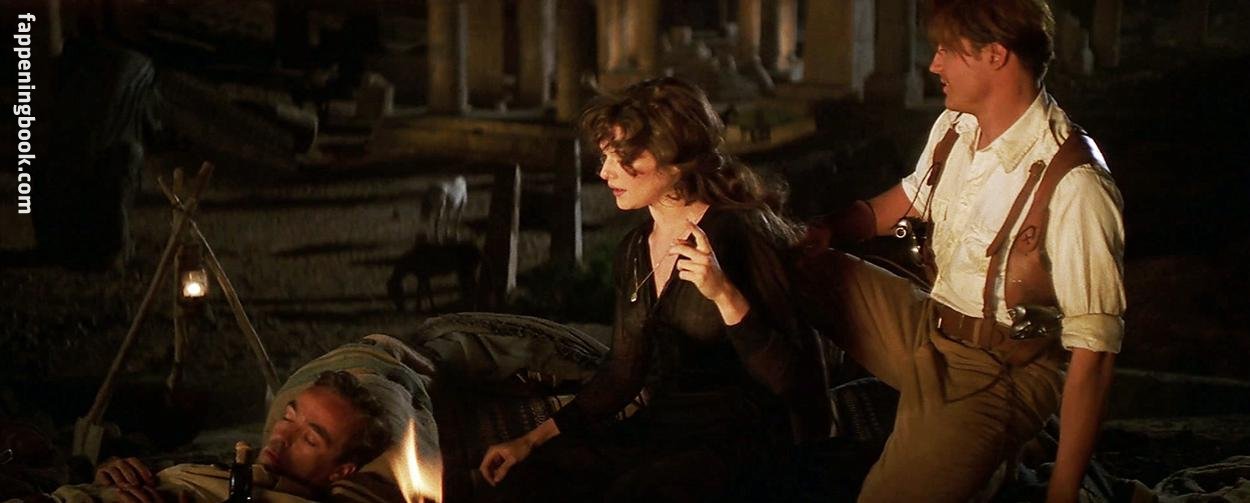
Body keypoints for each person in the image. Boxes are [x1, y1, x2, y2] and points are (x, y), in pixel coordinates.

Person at [800, 1, 1124, 502]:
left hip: (998, 370)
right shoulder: (957, 126)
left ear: (995, 54)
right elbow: (913, 196)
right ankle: (804, 422)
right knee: (787, 262)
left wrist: (1062, 491)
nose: (933, 65)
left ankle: (986, 443)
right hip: (930, 324)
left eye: (947, 50)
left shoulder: (1076, 185)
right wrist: (830, 229)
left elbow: (1094, 354)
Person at [478, 77, 832, 501]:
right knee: (530, 477)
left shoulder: (741, 233)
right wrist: (530, 441)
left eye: (623, 157)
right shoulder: (633, 251)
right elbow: (622, 373)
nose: (604, 172)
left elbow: (799, 382)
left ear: (675, 160)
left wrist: (725, 296)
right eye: (605, 155)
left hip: (742, 438)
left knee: (641, 491)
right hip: (667, 429)